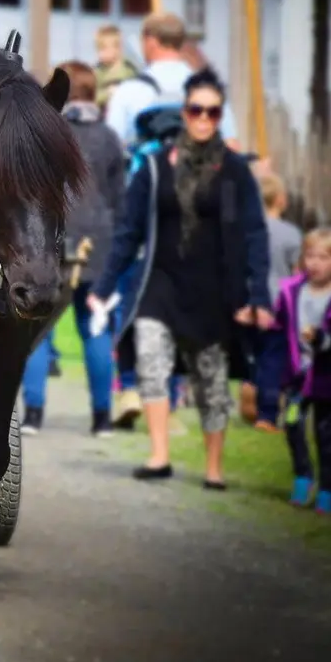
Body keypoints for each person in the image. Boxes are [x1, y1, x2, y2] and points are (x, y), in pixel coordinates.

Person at [87, 69, 271, 487]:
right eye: (196, 110)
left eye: (212, 111)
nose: (204, 118)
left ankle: (213, 469)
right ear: (184, 112)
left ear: (220, 115)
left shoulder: (235, 171)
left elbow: (255, 233)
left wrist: (256, 294)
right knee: (152, 360)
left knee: (210, 378)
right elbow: (128, 232)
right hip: (160, 283)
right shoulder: (154, 168)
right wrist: (103, 286)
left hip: (213, 290)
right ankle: (159, 456)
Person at [21, 61, 124, 437]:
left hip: (55, 239)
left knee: (40, 330)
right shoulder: (109, 138)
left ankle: (33, 414)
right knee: (95, 328)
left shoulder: (51, 133)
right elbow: (118, 199)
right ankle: (101, 419)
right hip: (98, 245)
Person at [103, 12, 239, 151]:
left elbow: (110, 149)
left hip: (148, 171)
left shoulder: (128, 91)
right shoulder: (209, 91)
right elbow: (231, 145)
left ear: (151, 42)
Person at [274, 226, 331, 514]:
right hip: (297, 375)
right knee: (293, 423)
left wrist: (322, 339)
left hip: (327, 378)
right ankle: (303, 476)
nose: (315, 263)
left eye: (323, 257)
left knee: (327, 435)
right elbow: (277, 326)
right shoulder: (291, 291)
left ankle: (327, 488)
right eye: (310, 256)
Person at [240, 174, 302, 431]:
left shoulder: (244, 230)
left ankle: (248, 386)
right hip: (278, 304)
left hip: (247, 300)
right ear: (281, 200)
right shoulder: (290, 233)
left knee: (251, 354)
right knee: (274, 358)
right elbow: (299, 273)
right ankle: (266, 413)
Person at [93, 24, 139, 112]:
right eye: (98, 49)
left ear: (118, 48)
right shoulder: (97, 71)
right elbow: (90, 97)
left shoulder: (129, 71)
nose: (100, 53)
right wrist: (107, 93)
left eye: (103, 49)